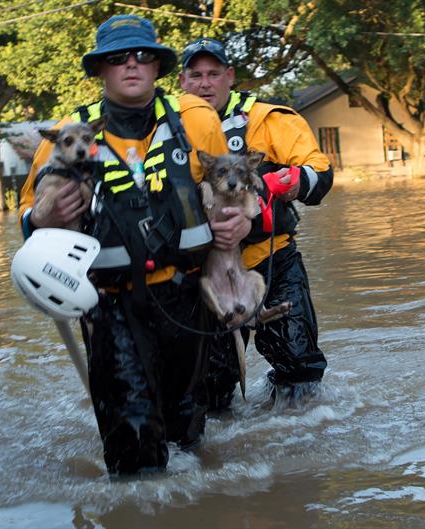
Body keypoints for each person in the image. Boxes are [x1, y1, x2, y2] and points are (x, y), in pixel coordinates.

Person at [17, 15, 244, 475]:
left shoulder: (197, 120)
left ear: (158, 66)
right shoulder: (69, 134)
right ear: (100, 70)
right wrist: (41, 217)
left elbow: (231, 194)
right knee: (135, 450)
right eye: (118, 58)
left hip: (187, 299)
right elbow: (27, 221)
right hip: (109, 305)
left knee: (187, 435)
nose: (132, 65)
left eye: (143, 55)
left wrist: (239, 224)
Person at [179, 38, 333, 410]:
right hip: (205, 272)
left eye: (214, 74)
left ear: (229, 76)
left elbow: (320, 172)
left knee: (299, 367)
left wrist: (287, 183)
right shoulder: (165, 126)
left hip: (271, 260)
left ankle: (299, 448)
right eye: (196, 75)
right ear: (182, 81)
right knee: (210, 389)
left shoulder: (267, 118)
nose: (204, 84)